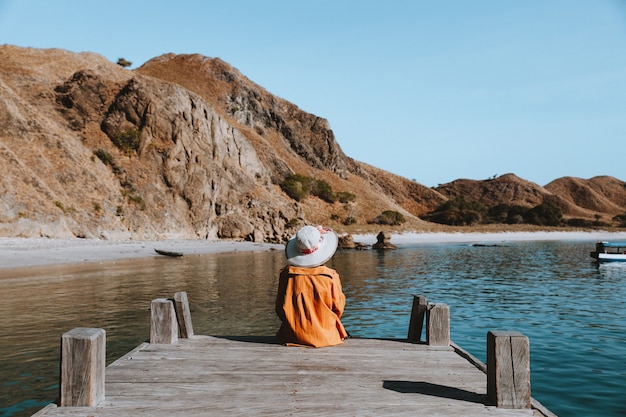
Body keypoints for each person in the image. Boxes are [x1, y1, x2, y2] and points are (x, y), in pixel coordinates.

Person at [275, 225, 348, 347]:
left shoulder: (286, 276)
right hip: (327, 337)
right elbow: (338, 308)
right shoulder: (330, 276)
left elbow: (279, 309)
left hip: (291, 336)